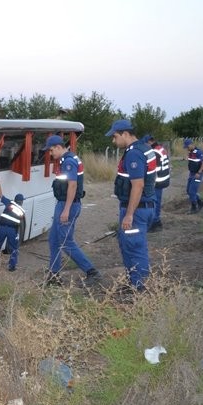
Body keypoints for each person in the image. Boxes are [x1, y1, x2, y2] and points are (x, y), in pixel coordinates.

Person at [43, 135, 101, 286]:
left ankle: (91, 272)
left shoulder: (69, 161)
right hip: (63, 204)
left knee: (65, 242)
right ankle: (54, 275)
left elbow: (72, 185)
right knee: (54, 240)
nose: (50, 154)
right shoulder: (67, 159)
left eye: (51, 150)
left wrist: (66, 209)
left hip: (67, 205)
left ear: (58, 147)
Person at [106, 120, 157, 291]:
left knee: (135, 248)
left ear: (125, 134)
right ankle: (133, 283)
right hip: (144, 207)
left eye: (115, 136)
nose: (113, 141)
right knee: (128, 245)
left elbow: (138, 185)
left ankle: (139, 289)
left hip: (137, 210)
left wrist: (129, 214)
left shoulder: (134, 153)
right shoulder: (145, 148)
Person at [0, 177, 25, 272]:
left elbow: (0, 194)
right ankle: (11, 267)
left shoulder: (9, 203)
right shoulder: (22, 211)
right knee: (14, 248)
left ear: (15, 199)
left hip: (2, 228)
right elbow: (18, 222)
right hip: (12, 231)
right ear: (21, 202)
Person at [143, 135, 170, 232]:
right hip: (163, 179)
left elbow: (155, 170)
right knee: (156, 202)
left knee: (155, 203)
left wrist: (150, 184)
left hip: (158, 181)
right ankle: (156, 221)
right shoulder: (161, 148)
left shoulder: (155, 152)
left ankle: (155, 223)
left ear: (149, 142)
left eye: (145, 143)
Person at [184, 138, 203, 214]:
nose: (186, 148)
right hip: (192, 173)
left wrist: (199, 172)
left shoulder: (198, 152)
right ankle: (200, 203)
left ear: (191, 144)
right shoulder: (190, 152)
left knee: (192, 191)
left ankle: (194, 207)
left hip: (197, 174)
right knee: (188, 190)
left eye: (187, 146)